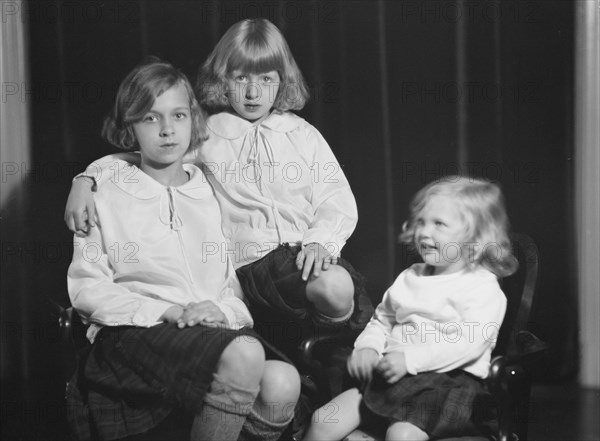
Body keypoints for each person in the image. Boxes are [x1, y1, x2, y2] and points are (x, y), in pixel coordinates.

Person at [64, 18, 370, 356]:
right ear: (223, 80)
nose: (253, 93)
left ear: (283, 81)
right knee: (331, 290)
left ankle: (331, 352)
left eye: (266, 80)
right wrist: (87, 178)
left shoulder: (302, 134)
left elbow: (335, 196)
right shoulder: (209, 135)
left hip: (303, 258)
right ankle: (318, 359)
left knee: (341, 291)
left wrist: (321, 242)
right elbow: (142, 156)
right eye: (241, 79)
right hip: (255, 267)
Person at [66, 58, 300, 441]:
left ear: (193, 119)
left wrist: (221, 309)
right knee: (245, 353)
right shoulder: (102, 192)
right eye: (150, 119)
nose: (167, 130)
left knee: (283, 380)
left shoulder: (210, 190)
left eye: (177, 115)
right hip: (135, 333)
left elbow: (231, 286)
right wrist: (167, 311)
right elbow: (87, 290)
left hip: (208, 334)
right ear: (130, 126)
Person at [303, 176, 518, 441]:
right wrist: (368, 347)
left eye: (439, 224)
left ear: (475, 236)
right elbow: (382, 320)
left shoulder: (481, 286)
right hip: (391, 378)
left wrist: (411, 360)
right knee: (324, 420)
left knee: (402, 435)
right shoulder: (411, 276)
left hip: (447, 386)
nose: (424, 232)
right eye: (421, 222)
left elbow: (469, 342)